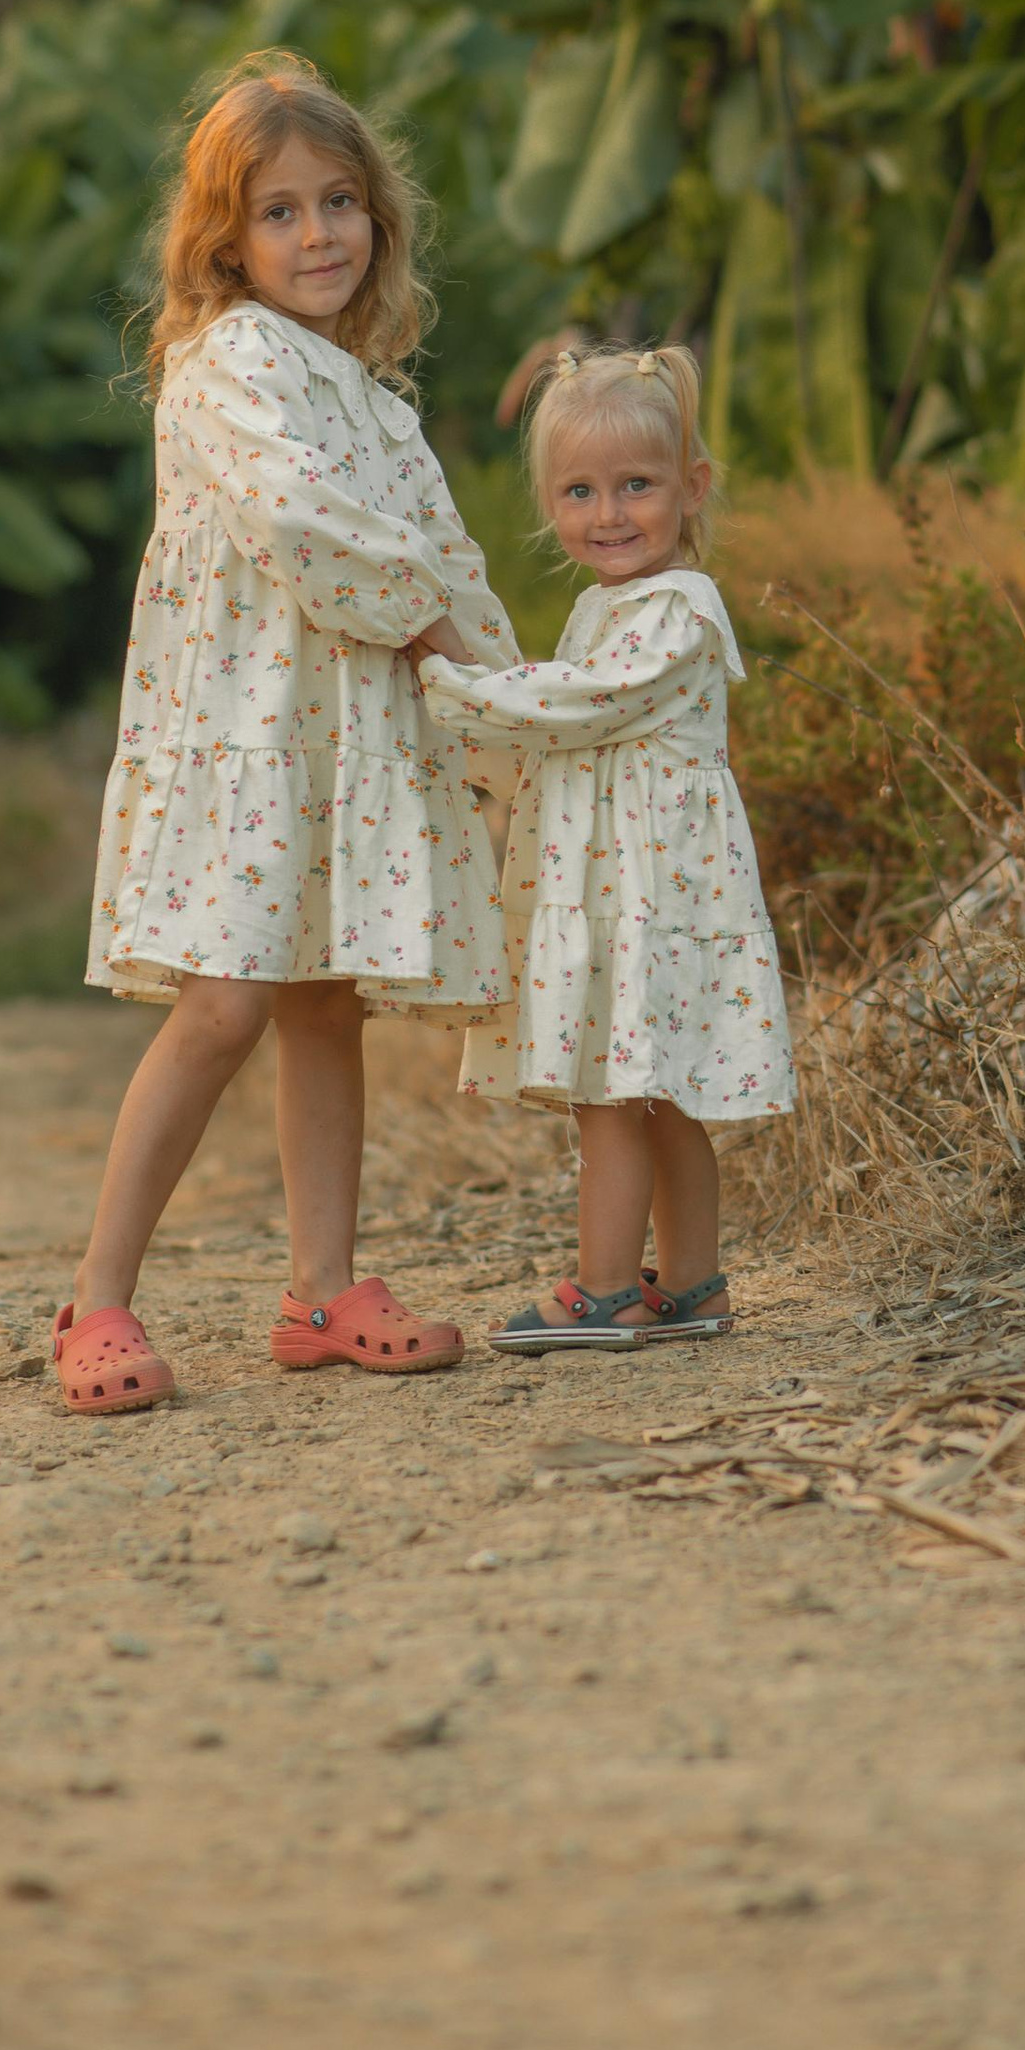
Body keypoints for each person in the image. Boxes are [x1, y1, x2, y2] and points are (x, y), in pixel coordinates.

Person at [51, 52, 516, 1414]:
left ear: (379, 219)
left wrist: (509, 697)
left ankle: (323, 1289)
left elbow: (443, 551)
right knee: (227, 1003)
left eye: (341, 202)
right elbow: (314, 533)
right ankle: (99, 1295)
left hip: (341, 749)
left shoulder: (374, 396)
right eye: (280, 212)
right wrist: (432, 626)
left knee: (327, 998)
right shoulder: (225, 365)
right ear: (226, 243)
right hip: (247, 745)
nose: (319, 235)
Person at [410, 344, 793, 1349]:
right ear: (547, 502)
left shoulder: (678, 609)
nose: (610, 512)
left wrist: (452, 686)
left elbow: (582, 706)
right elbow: (560, 724)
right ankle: (694, 1285)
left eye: (637, 486)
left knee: (612, 1093)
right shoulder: (600, 606)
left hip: (650, 892)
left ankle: (608, 1286)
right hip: (618, 883)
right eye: (580, 491)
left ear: (690, 488)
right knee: (652, 1090)